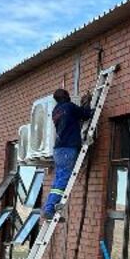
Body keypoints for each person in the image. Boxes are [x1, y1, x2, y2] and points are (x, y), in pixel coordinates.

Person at [41, 88, 93, 220]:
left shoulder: (55, 111)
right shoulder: (69, 106)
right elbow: (86, 115)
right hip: (68, 148)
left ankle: (49, 208)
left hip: (58, 150)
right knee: (63, 180)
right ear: (66, 96)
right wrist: (88, 105)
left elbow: (72, 118)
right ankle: (50, 209)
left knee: (58, 180)